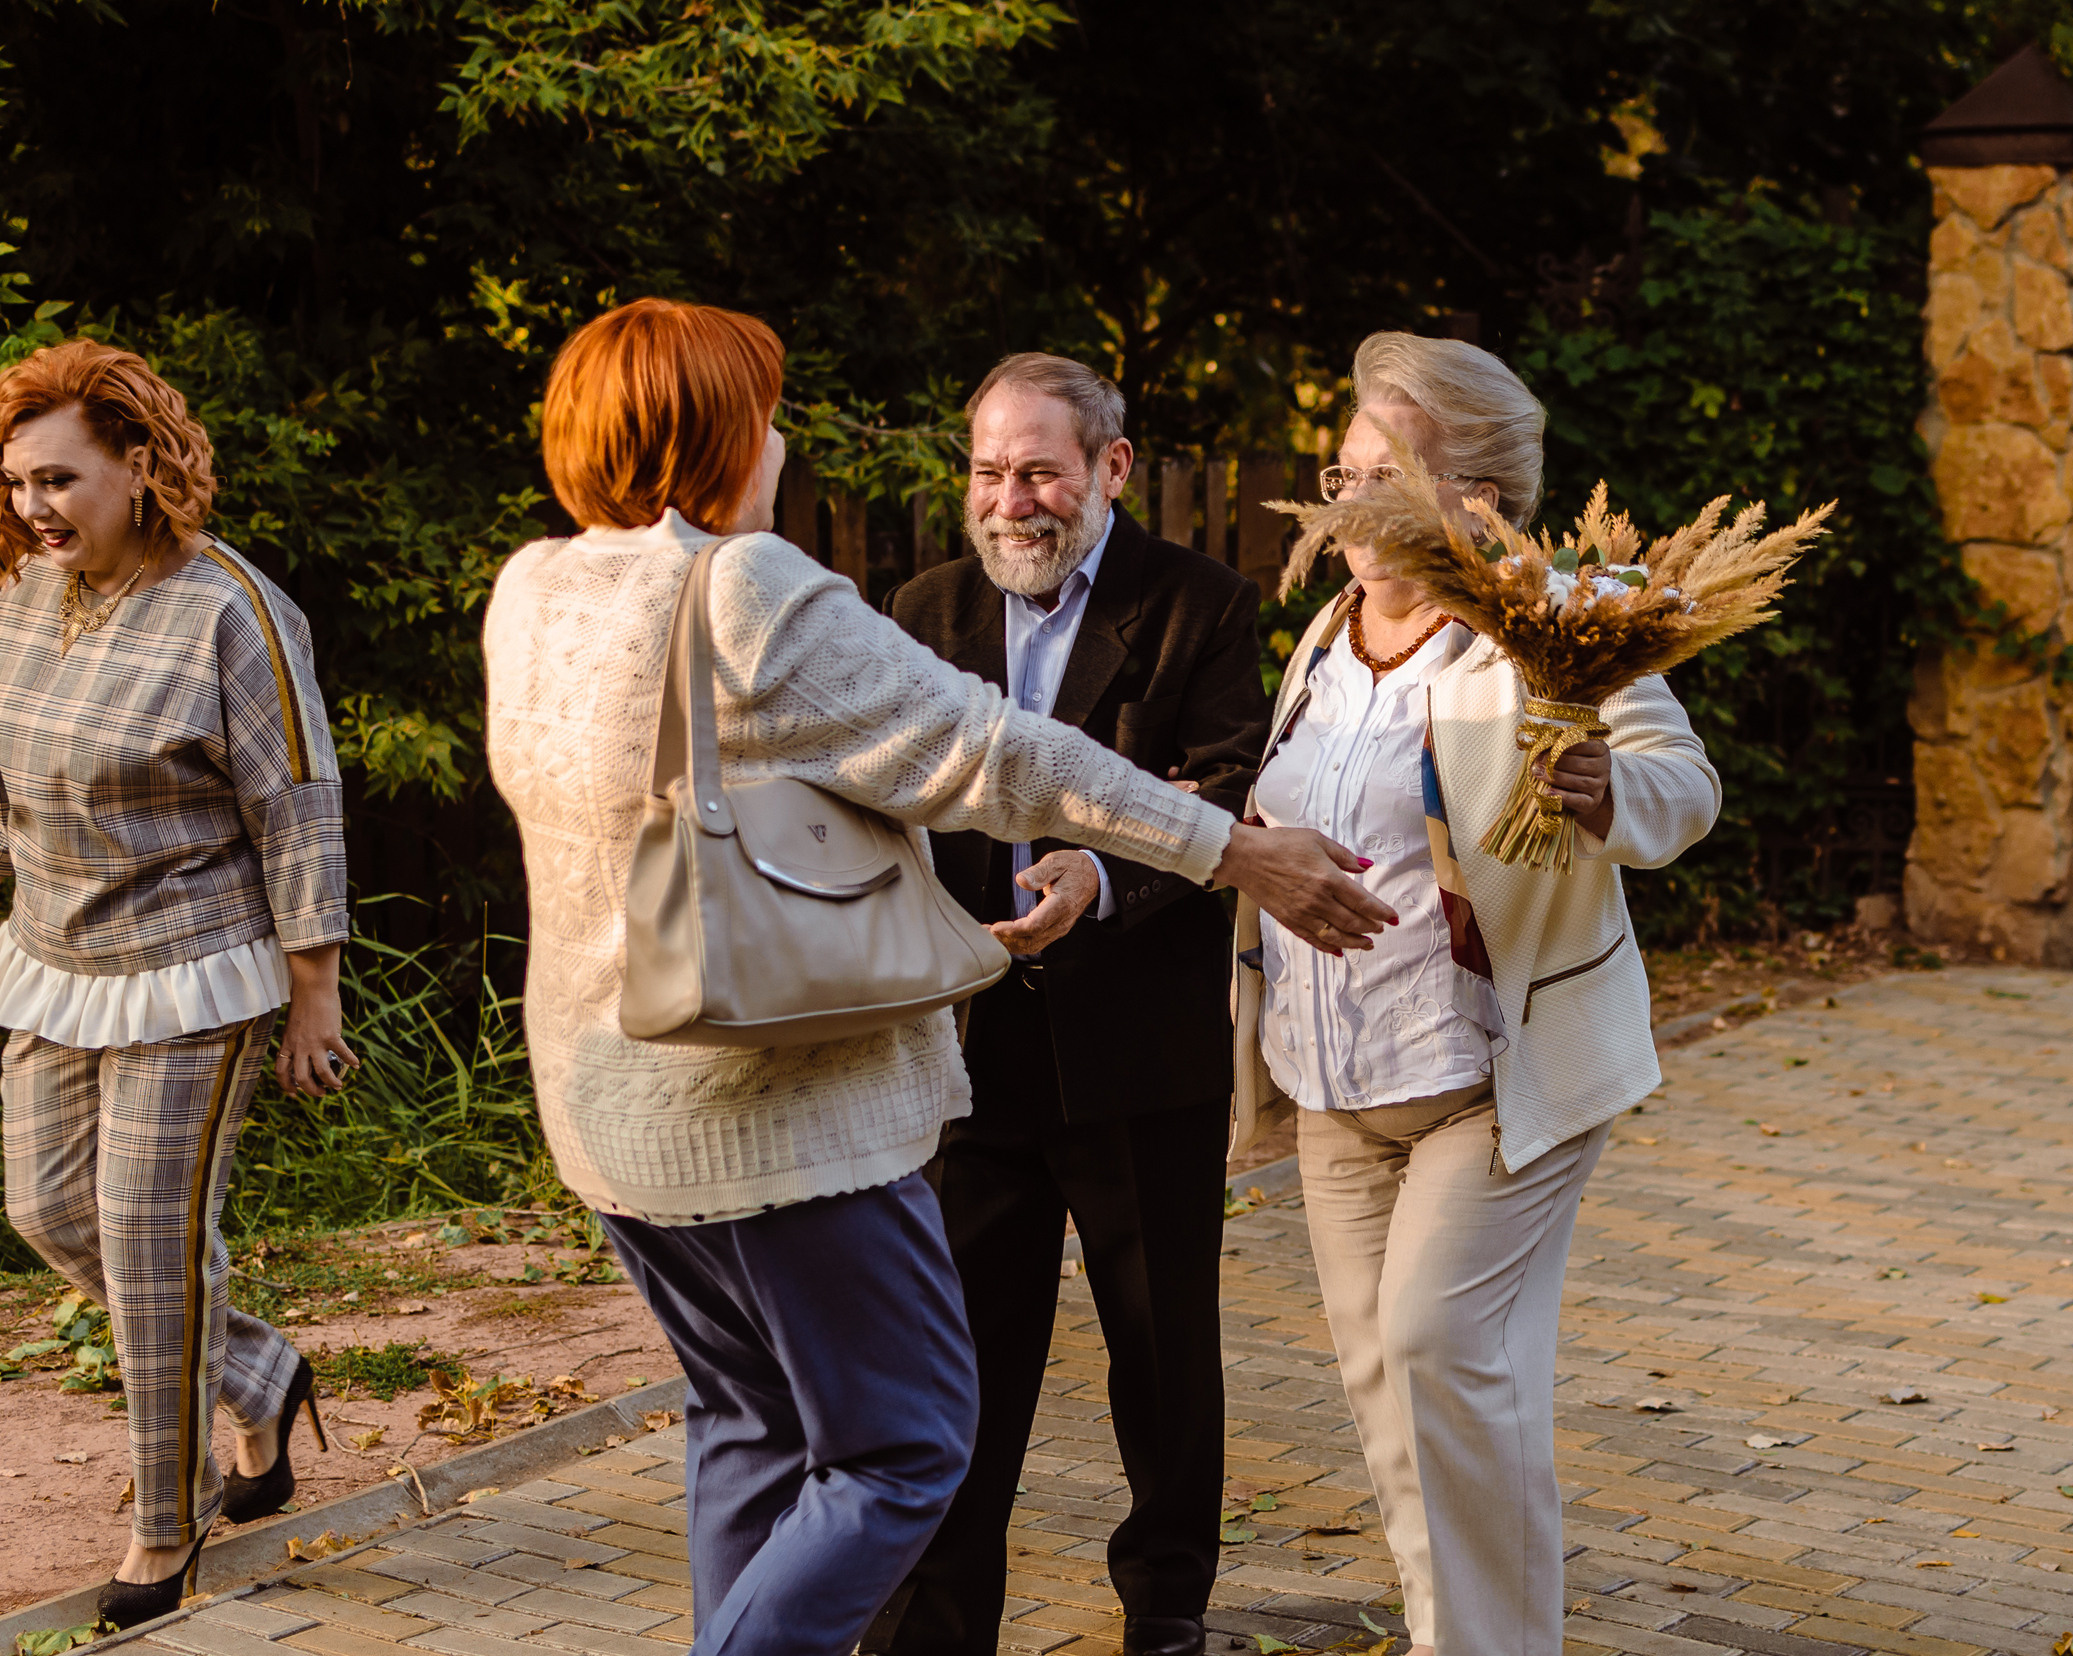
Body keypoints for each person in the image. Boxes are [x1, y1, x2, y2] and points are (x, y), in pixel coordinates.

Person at [481, 299, 1394, 1656]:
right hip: (771, 1112)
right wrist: (1236, 854)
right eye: (769, 411)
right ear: (725, 431)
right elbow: (997, 753)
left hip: (613, 1116)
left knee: (757, 1427)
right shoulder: (742, 588)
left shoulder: (536, 587)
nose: (782, 440)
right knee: (905, 1451)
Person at [1230, 333, 1722, 1656]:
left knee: (1447, 1353)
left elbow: (1686, 782)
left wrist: (1610, 791)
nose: (1339, 507)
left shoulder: (1556, 628)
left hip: (1494, 1080)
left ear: (1478, 500)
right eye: (1336, 474)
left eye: (1374, 478)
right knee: (1392, 1392)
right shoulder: (1327, 640)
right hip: (1337, 1090)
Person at [863, 355, 1263, 1656]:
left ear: (1111, 467)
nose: (1012, 499)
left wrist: (1102, 873)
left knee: (1159, 1359)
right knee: (958, 1363)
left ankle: (1165, 1611)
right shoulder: (919, 611)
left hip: (1140, 1052)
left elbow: (1222, 794)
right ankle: (936, 1628)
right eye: (989, 471)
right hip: (968, 1060)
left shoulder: (1196, 607)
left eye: (1039, 469)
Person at [0, 340, 359, 1629]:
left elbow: (297, 801)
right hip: (54, 957)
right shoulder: (23, 594)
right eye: (17, 484)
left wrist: (312, 991)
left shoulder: (229, 608)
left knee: (151, 1247)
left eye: (57, 480)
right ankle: (258, 1370)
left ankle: (169, 1526)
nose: (33, 509)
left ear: (139, 469)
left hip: (198, 972)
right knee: (47, 1208)